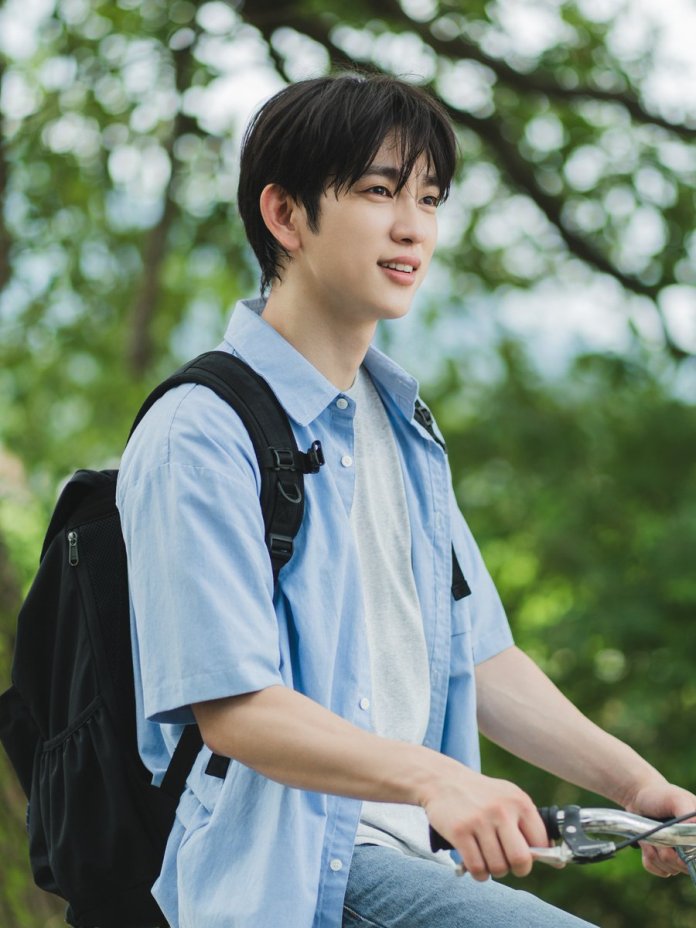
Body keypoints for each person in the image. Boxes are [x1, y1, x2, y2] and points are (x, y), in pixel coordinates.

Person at [116, 73, 695, 928]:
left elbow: (478, 656)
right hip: (297, 875)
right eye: (379, 191)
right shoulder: (200, 432)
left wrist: (633, 785)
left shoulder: (401, 427)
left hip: (415, 861)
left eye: (429, 197)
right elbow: (234, 705)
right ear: (284, 216)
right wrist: (437, 778)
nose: (412, 225)